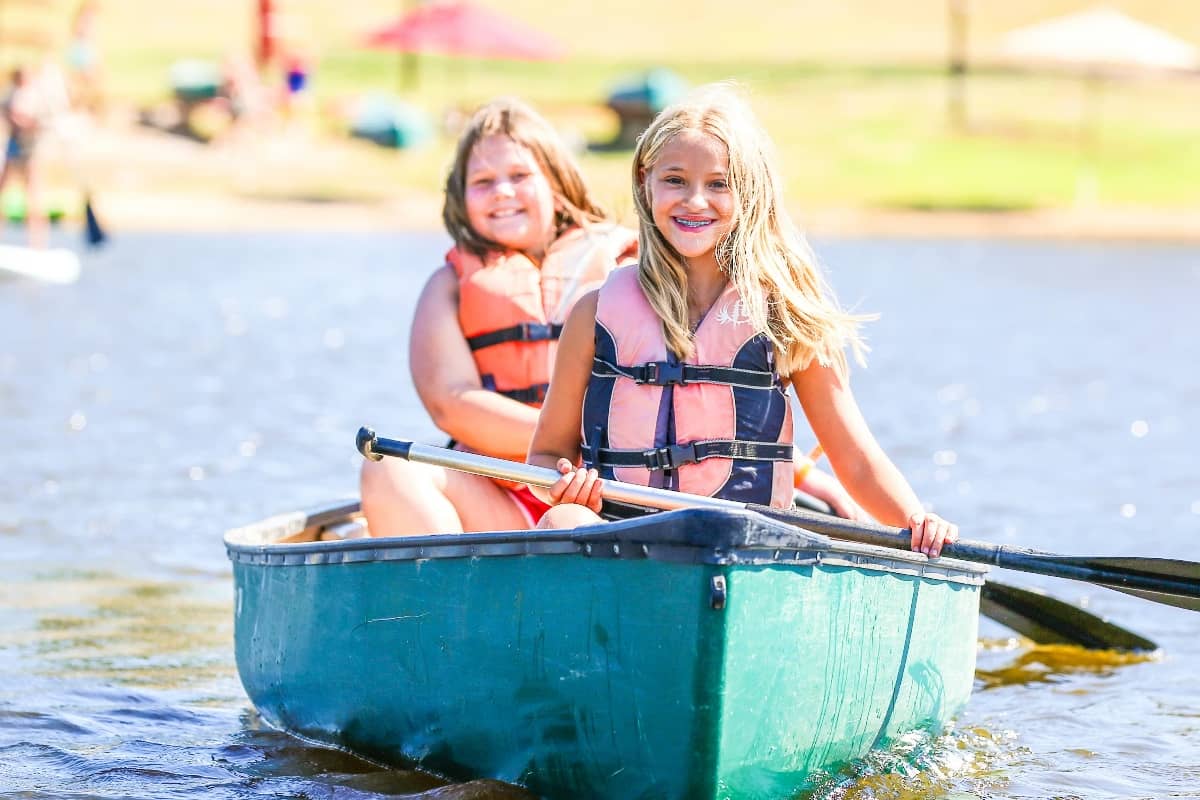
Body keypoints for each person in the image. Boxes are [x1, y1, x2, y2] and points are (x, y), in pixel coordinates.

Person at [527, 84, 959, 558]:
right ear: (645, 181)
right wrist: (565, 484)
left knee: (732, 540)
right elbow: (547, 454)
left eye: (718, 184)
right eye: (675, 180)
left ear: (749, 193)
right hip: (620, 534)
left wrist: (916, 520)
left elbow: (854, 460)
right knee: (562, 520)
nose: (695, 201)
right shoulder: (594, 314)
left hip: (741, 540)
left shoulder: (787, 316)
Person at [359, 98, 639, 537]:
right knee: (388, 469)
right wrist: (556, 441)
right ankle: (451, 599)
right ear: (461, 197)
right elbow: (449, 401)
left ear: (557, 183)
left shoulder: (624, 269)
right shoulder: (448, 286)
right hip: (499, 496)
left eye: (520, 176)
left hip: (606, 494)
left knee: (569, 521)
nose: (502, 192)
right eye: (483, 181)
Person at [0, 67, 47, 249]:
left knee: (33, 196)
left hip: (30, 149)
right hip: (14, 147)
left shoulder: (35, 97)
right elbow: (6, 114)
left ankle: (37, 246)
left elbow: (39, 122)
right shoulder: (11, 95)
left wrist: (24, 121)